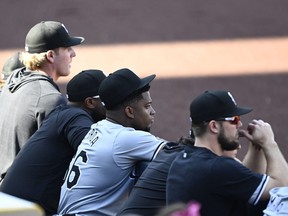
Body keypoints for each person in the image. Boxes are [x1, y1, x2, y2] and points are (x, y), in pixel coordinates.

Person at [57, 68, 167, 216]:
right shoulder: (124, 138)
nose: (153, 111)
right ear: (129, 111)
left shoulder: (98, 129)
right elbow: (181, 156)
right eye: (146, 106)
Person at [0, 69, 106, 215]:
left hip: (13, 205)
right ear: (90, 102)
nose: (112, 102)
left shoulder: (63, 114)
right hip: (24, 210)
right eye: (106, 98)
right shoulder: (75, 117)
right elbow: (97, 153)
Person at [166, 90, 288, 216]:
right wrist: (269, 143)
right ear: (214, 126)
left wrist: (257, 147)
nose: (239, 124)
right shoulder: (216, 167)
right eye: (234, 120)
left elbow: (245, 181)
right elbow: (282, 190)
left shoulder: (183, 159)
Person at [0, 21, 84, 180]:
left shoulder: (14, 82)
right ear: (51, 56)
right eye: (67, 49)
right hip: (23, 199)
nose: (73, 53)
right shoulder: (48, 99)